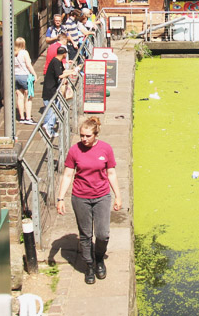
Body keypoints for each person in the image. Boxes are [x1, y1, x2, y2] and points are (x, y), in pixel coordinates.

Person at [55, 117, 122, 285]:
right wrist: (61, 198)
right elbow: (68, 174)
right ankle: (89, 265)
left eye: (87, 136)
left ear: (95, 134)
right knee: (85, 235)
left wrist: (118, 195)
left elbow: (111, 173)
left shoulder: (105, 149)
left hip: (101, 196)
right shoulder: (74, 151)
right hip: (80, 197)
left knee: (102, 234)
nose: (84, 139)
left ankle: (99, 258)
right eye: (81, 136)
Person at [41, 45, 72, 137]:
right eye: (66, 54)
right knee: (52, 110)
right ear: (63, 54)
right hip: (50, 90)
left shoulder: (57, 61)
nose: (66, 55)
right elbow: (60, 75)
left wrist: (72, 71)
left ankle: (48, 128)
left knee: (52, 110)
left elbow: (62, 73)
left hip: (52, 89)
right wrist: (72, 72)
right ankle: (48, 127)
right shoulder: (55, 62)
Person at [14, 37, 38, 124]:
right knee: (29, 97)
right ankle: (28, 118)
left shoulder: (13, 53)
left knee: (19, 97)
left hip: (16, 76)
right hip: (25, 76)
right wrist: (34, 74)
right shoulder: (24, 52)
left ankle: (21, 117)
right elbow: (28, 65)